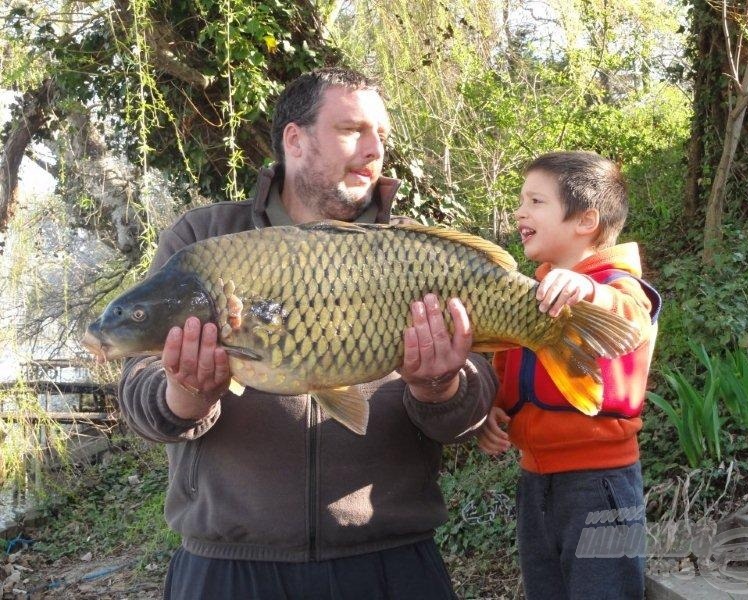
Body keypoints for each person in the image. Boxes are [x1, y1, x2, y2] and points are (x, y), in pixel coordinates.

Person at [117, 67, 497, 599]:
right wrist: (185, 393)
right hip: (230, 565)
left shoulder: (419, 254)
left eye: (382, 136)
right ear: (294, 140)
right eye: (351, 130)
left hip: (390, 560)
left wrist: (440, 387)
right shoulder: (204, 240)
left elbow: (467, 415)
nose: (373, 150)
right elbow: (139, 391)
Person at [477, 151, 661, 599]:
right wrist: (492, 413)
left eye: (536, 201)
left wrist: (590, 291)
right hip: (534, 481)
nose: (520, 212)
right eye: (522, 201)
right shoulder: (529, 292)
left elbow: (632, 318)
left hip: (602, 483)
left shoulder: (619, 286)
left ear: (585, 221)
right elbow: (507, 366)